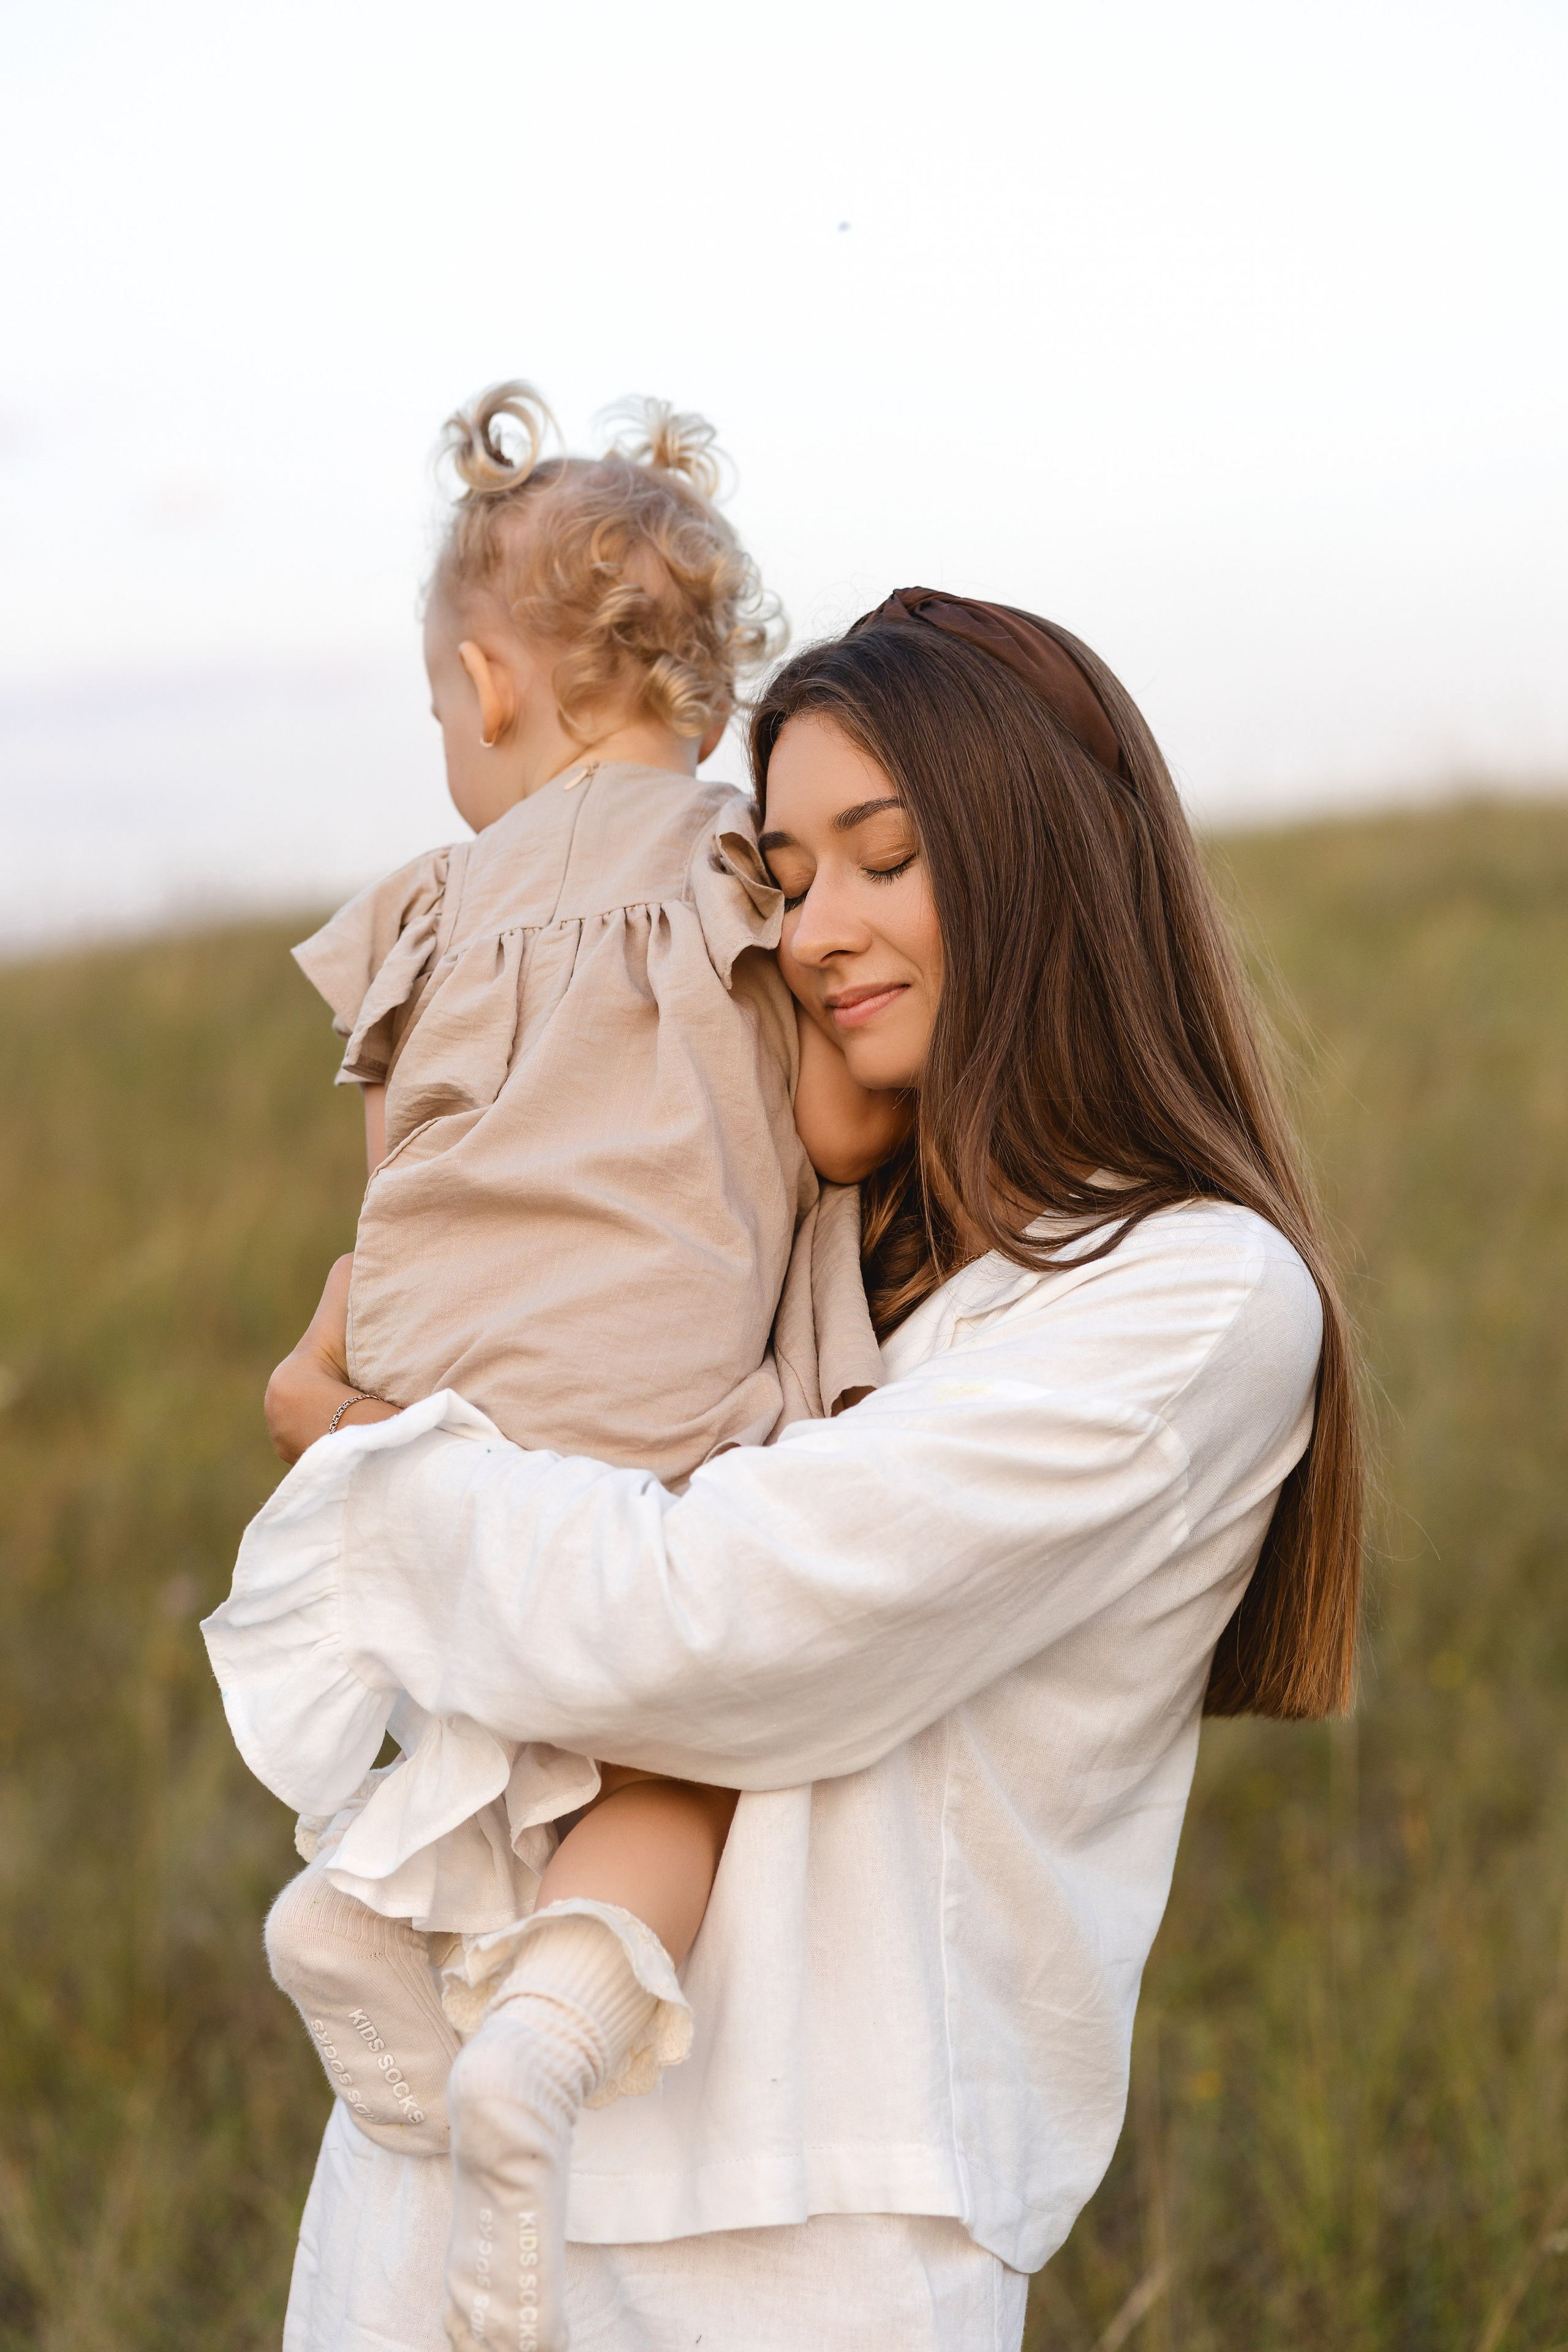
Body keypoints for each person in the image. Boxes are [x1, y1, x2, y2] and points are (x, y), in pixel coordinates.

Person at [216, 587, 1363, 2352]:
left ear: (1042, 863)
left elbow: (709, 1625)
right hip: (443, 2176)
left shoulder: (1189, 1299)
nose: (823, 927)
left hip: (801, 2238)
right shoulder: (777, 1228)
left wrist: (367, 1468)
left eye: (885, 857)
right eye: (786, 874)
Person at [208, 380, 907, 2332]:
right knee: (676, 1726)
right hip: (657, 1395)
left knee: (489, 1670)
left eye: (441, 710)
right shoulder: (732, 874)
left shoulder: (426, 907)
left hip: (427, 1385)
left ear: (492, 685)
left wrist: (405, 1364)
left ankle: (362, 1896)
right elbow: (840, 1139)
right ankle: (554, 2033)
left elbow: (395, 1181)